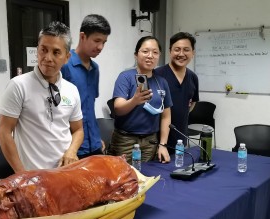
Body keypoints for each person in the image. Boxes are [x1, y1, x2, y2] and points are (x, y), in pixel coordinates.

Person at [0, 21, 84, 172]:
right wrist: (22, 175)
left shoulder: (72, 90)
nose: (48, 58)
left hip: (64, 173)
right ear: (37, 50)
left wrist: (72, 151)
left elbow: (78, 130)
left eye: (56, 52)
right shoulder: (18, 86)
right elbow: (4, 132)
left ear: (67, 57)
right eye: (43, 50)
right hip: (32, 176)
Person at [109, 36, 172, 164]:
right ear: (136, 55)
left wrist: (163, 144)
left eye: (155, 52)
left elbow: (166, 116)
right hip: (125, 140)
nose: (150, 56)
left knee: (148, 176)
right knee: (124, 178)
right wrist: (134, 101)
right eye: (145, 51)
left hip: (151, 141)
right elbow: (118, 108)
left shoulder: (162, 82)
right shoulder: (125, 77)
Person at [61, 14, 111, 158]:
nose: (100, 47)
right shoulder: (65, 65)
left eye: (104, 42)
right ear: (82, 36)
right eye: (97, 41)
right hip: (71, 148)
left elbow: (89, 107)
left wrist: (95, 138)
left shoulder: (95, 69)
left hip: (94, 145)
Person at [155, 32, 199, 151]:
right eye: (177, 49)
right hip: (156, 140)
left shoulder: (193, 77)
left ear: (193, 53)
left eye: (186, 50)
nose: (181, 54)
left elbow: (192, 102)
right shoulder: (157, 75)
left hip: (180, 139)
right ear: (170, 51)